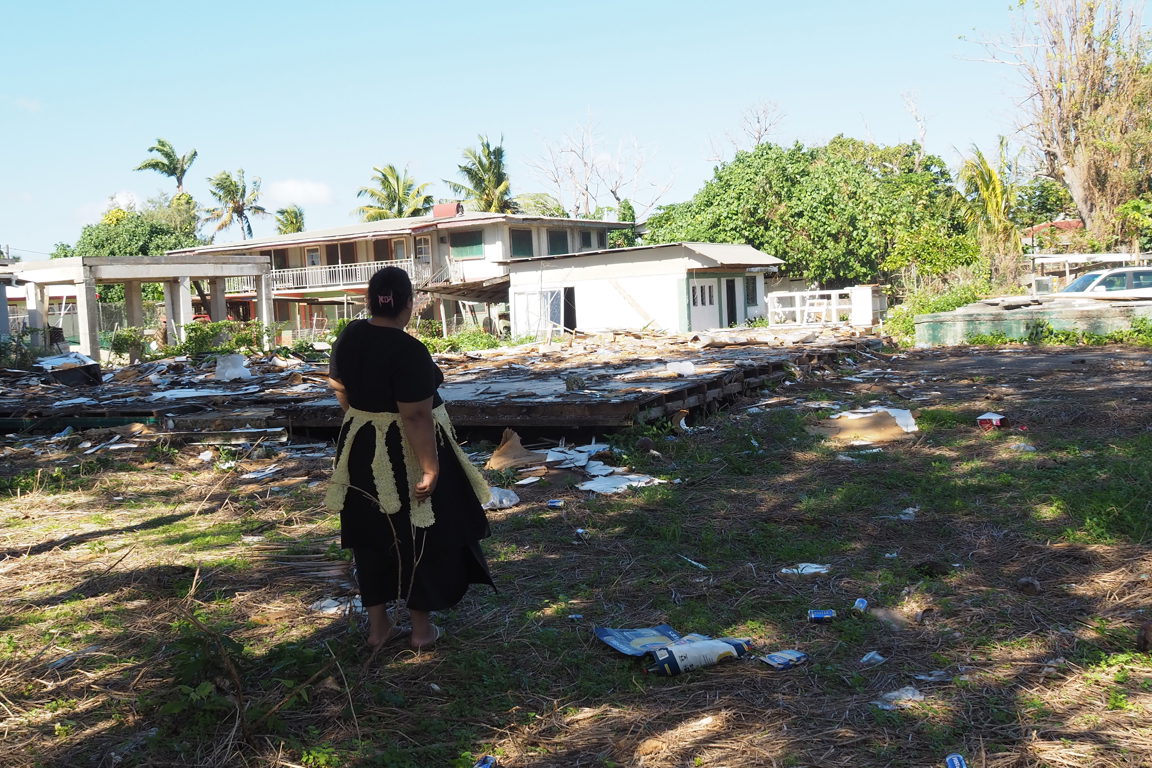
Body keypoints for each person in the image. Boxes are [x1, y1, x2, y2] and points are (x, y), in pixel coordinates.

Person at [326, 267, 493, 652]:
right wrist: (431, 467)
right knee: (418, 530)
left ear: (370, 300)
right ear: (407, 303)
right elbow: (415, 415)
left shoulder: (350, 335)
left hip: (360, 446)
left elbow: (337, 383)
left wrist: (360, 412)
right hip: (404, 451)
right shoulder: (408, 349)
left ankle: (379, 628)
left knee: (370, 532)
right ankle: (421, 631)